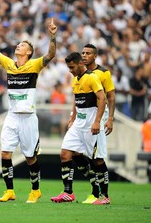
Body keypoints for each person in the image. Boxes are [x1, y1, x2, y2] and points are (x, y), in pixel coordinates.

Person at [0, 13, 57, 203]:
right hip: (12, 116)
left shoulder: (34, 65)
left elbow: (50, 55)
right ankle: (10, 191)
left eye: (22, 45)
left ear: (29, 52)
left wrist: (52, 37)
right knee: (5, 153)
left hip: (28, 117)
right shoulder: (9, 64)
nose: (18, 46)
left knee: (30, 157)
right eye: (18, 44)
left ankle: (35, 190)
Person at [51, 52, 106, 203]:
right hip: (77, 124)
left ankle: (98, 192)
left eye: (72, 67)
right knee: (65, 154)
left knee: (96, 160)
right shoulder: (75, 79)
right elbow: (76, 100)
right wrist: (71, 118)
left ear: (80, 63)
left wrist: (97, 121)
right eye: (68, 67)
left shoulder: (92, 77)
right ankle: (68, 192)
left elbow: (103, 99)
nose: (70, 70)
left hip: (90, 124)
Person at [72, 43, 115, 205]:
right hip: (82, 120)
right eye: (82, 53)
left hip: (98, 118)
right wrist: (73, 117)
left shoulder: (103, 73)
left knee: (97, 158)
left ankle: (103, 195)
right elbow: (76, 96)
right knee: (75, 152)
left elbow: (110, 97)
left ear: (95, 56)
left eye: (88, 53)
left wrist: (109, 118)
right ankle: (94, 187)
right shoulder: (78, 73)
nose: (84, 55)